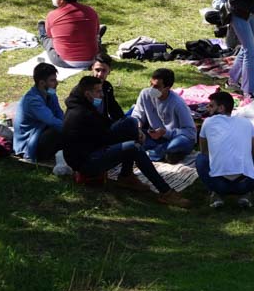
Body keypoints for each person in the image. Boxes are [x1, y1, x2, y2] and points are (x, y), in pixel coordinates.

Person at [62, 76, 191, 206]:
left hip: (94, 146)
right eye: (98, 92)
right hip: (86, 162)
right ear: (87, 94)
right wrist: (130, 140)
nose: (101, 95)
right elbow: (102, 138)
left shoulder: (86, 105)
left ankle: (126, 176)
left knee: (130, 122)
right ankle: (165, 192)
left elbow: (108, 124)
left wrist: (136, 130)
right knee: (133, 148)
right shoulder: (81, 114)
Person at [196, 91, 254, 208]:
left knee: (200, 159)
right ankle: (244, 194)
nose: (208, 108)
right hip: (245, 183)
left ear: (221, 108)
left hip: (218, 184)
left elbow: (204, 151)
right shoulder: (246, 122)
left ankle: (216, 193)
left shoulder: (207, 122)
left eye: (211, 105)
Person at [133, 68, 197, 162]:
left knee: (177, 144)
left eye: (156, 87)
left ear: (167, 88)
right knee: (128, 126)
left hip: (174, 137)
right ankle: (164, 154)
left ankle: (156, 153)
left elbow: (191, 132)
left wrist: (165, 133)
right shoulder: (145, 94)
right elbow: (137, 115)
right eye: (151, 84)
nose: (152, 89)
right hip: (153, 136)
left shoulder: (177, 103)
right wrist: (138, 129)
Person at [36, 0, 101, 69]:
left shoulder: (52, 15)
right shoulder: (91, 11)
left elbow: (51, 36)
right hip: (92, 59)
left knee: (46, 39)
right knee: (96, 38)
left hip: (65, 61)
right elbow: (96, 32)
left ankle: (41, 28)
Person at [13, 61, 64, 162]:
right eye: (52, 80)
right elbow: (52, 121)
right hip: (29, 144)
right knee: (57, 131)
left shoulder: (50, 93)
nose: (56, 83)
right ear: (42, 83)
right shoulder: (33, 101)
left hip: (41, 131)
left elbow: (59, 113)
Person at [91, 54, 125, 124]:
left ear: (109, 71)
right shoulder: (83, 88)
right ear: (92, 68)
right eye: (97, 70)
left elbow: (114, 108)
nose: (100, 74)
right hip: (89, 127)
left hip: (105, 125)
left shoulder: (107, 87)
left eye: (104, 71)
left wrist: (123, 120)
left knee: (131, 119)